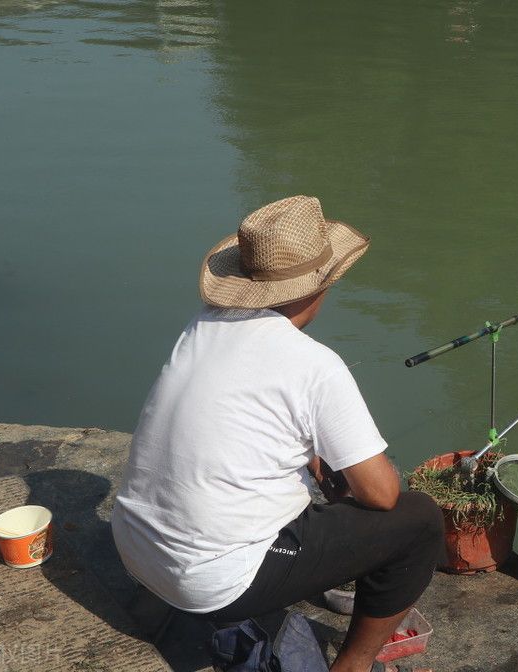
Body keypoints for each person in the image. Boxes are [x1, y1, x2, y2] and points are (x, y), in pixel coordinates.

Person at [111, 195, 442, 672]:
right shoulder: (314, 364)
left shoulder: (200, 326)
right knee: (419, 521)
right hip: (212, 583)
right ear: (318, 288)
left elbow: (239, 417)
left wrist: (308, 452)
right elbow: (382, 494)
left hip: (134, 548)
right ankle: (354, 664)